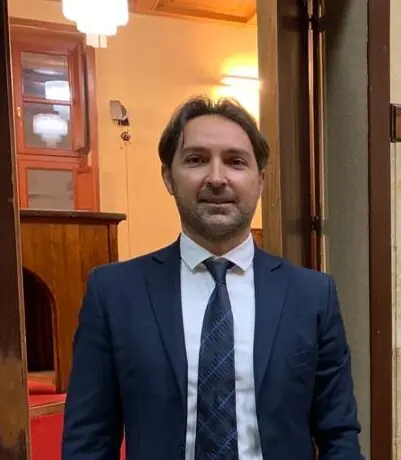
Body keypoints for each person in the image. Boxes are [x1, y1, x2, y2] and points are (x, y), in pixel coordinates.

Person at [62, 96, 364, 460]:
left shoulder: (312, 295)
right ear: (168, 177)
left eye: (236, 162)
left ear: (260, 181)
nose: (217, 178)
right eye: (196, 159)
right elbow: (89, 441)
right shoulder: (114, 294)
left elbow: (338, 434)